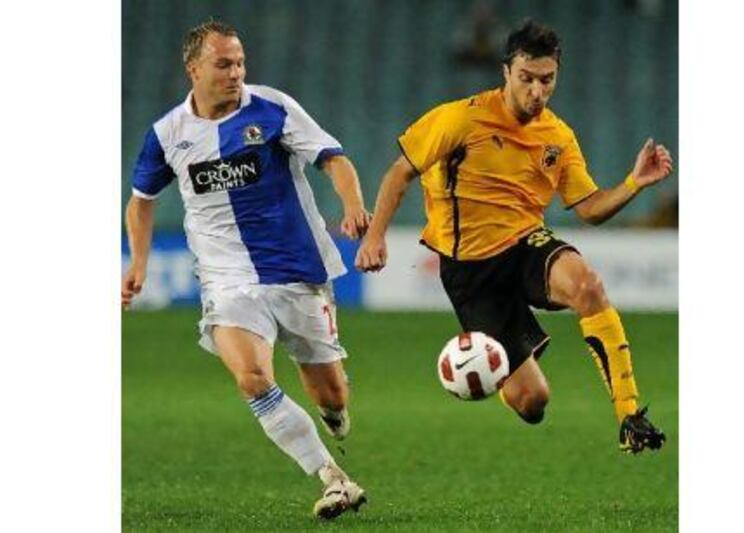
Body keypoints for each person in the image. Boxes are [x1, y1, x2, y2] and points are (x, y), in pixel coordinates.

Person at [355, 20, 672, 454]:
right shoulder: (460, 119)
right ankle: (500, 372)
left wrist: (634, 182)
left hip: (525, 244)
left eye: (547, 80)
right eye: (526, 79)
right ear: (506, 72)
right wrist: (375, 238)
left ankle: (629, 415)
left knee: (588, 286)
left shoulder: (558, 136)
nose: (536, 92)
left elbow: (590, 209)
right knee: (533, 402)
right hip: (470, 271)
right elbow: (400, 172)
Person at [122, 20, 369, 519]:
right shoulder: (168, 135)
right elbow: (141, 201)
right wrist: (138, 263)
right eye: (223, 64)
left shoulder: (272, 108)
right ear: (194, 69)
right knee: (253, 376)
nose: (235, 73)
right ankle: (333, 478)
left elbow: (332, 158)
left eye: (239, 63)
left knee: (332, 393)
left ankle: (334, 414)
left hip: (298, 270)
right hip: (227, 277)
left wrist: (353, 204)